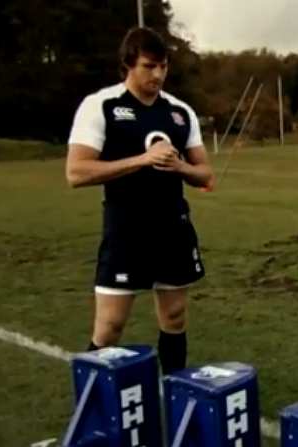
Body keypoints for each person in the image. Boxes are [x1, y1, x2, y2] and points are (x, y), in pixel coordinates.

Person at [65, 27, 212, 374]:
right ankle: (91, 411)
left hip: (172, 227)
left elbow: (205, 175)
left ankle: (173, 396)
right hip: (126, 229)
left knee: (174, 318)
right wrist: (142, 160)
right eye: (149, 66)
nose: (158, 74)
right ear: (128, 64)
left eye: (163, 66)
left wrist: (179, 166)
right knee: (110, 327)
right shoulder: (101, 105)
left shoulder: (179, 112)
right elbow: (76, 172)